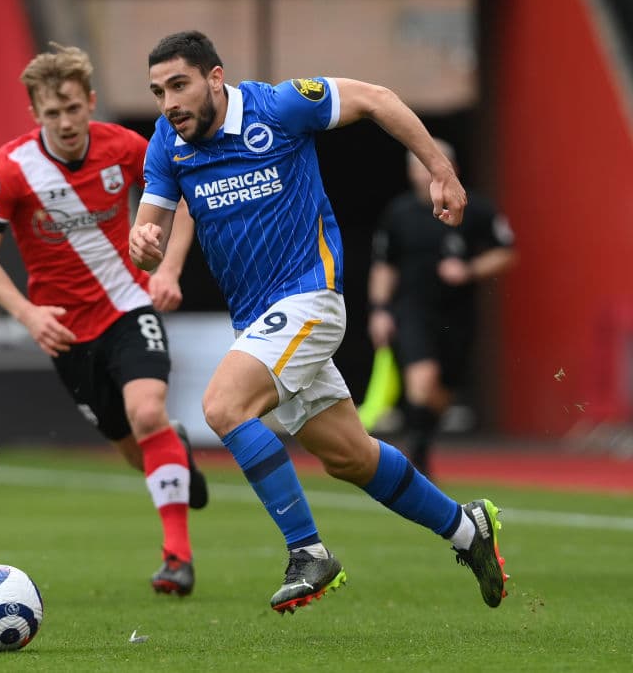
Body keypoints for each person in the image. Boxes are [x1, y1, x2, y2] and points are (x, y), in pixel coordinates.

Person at [129, 30, 509, 614]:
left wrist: (440, 170)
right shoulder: (167, 142)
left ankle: (307, 551)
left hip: (311, 297)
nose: (168, 103)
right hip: (258, 321)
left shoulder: (280, 106)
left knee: (224, 408)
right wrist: (144, 240)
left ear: (214, 77)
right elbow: (151, 226)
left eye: (178, 85)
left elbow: (378, 98)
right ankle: (467, 530)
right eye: (157, 92)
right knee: (350, 457)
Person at [0, 43, 208, 596]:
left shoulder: (124, 147)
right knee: (134, 448)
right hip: (65, 331)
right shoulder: (11, 169)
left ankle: (177, 558)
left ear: (91, 101)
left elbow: (185, 197)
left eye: (74, 108)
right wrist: (28, 314)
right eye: (52, 113)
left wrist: (168, 270)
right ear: (35, 115)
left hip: (128, 306)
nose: (66, 122)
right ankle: (173, 447)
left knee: (146, 411)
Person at [368, 140, 516, 478]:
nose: (425, 172)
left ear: (451, 169)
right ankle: (416, 462)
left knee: (442, 392)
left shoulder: (476, 209)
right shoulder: (399, 213)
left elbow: (506, 252)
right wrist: (379, 309)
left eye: (431, 164)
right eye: (419, 165)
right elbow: (383, 267)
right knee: (422, 378)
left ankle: (421, 444)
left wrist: (470, 270)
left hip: (457, 315)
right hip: (412, 310)